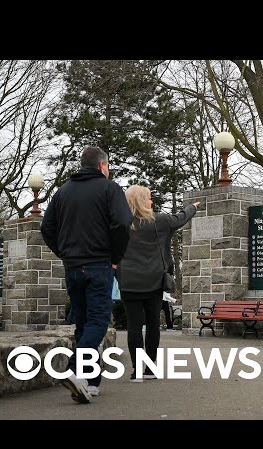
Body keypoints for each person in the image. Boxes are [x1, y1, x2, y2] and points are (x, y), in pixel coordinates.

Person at [41, 146, 132, 403]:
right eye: (109, 165)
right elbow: (123, 224)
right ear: (102, 166)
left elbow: (47, 228)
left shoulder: (62, 193)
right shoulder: (110, 189)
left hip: (73, 268)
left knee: (83, 323)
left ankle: (91, 383)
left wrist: (65, 253)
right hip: (99, 266)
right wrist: (115, 258)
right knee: (97, 323)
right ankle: (73, 370)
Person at [117, 185, 199, 382]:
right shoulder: (160, 221)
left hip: (128, 281)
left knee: (134, 326)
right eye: (148, 198)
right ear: (142, 201)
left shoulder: (120, 224)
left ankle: (136, 371)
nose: (151, 202)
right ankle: (150, 369)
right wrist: (194, 207)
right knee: (153, 324)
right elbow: (181, 218)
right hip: (154, 281)